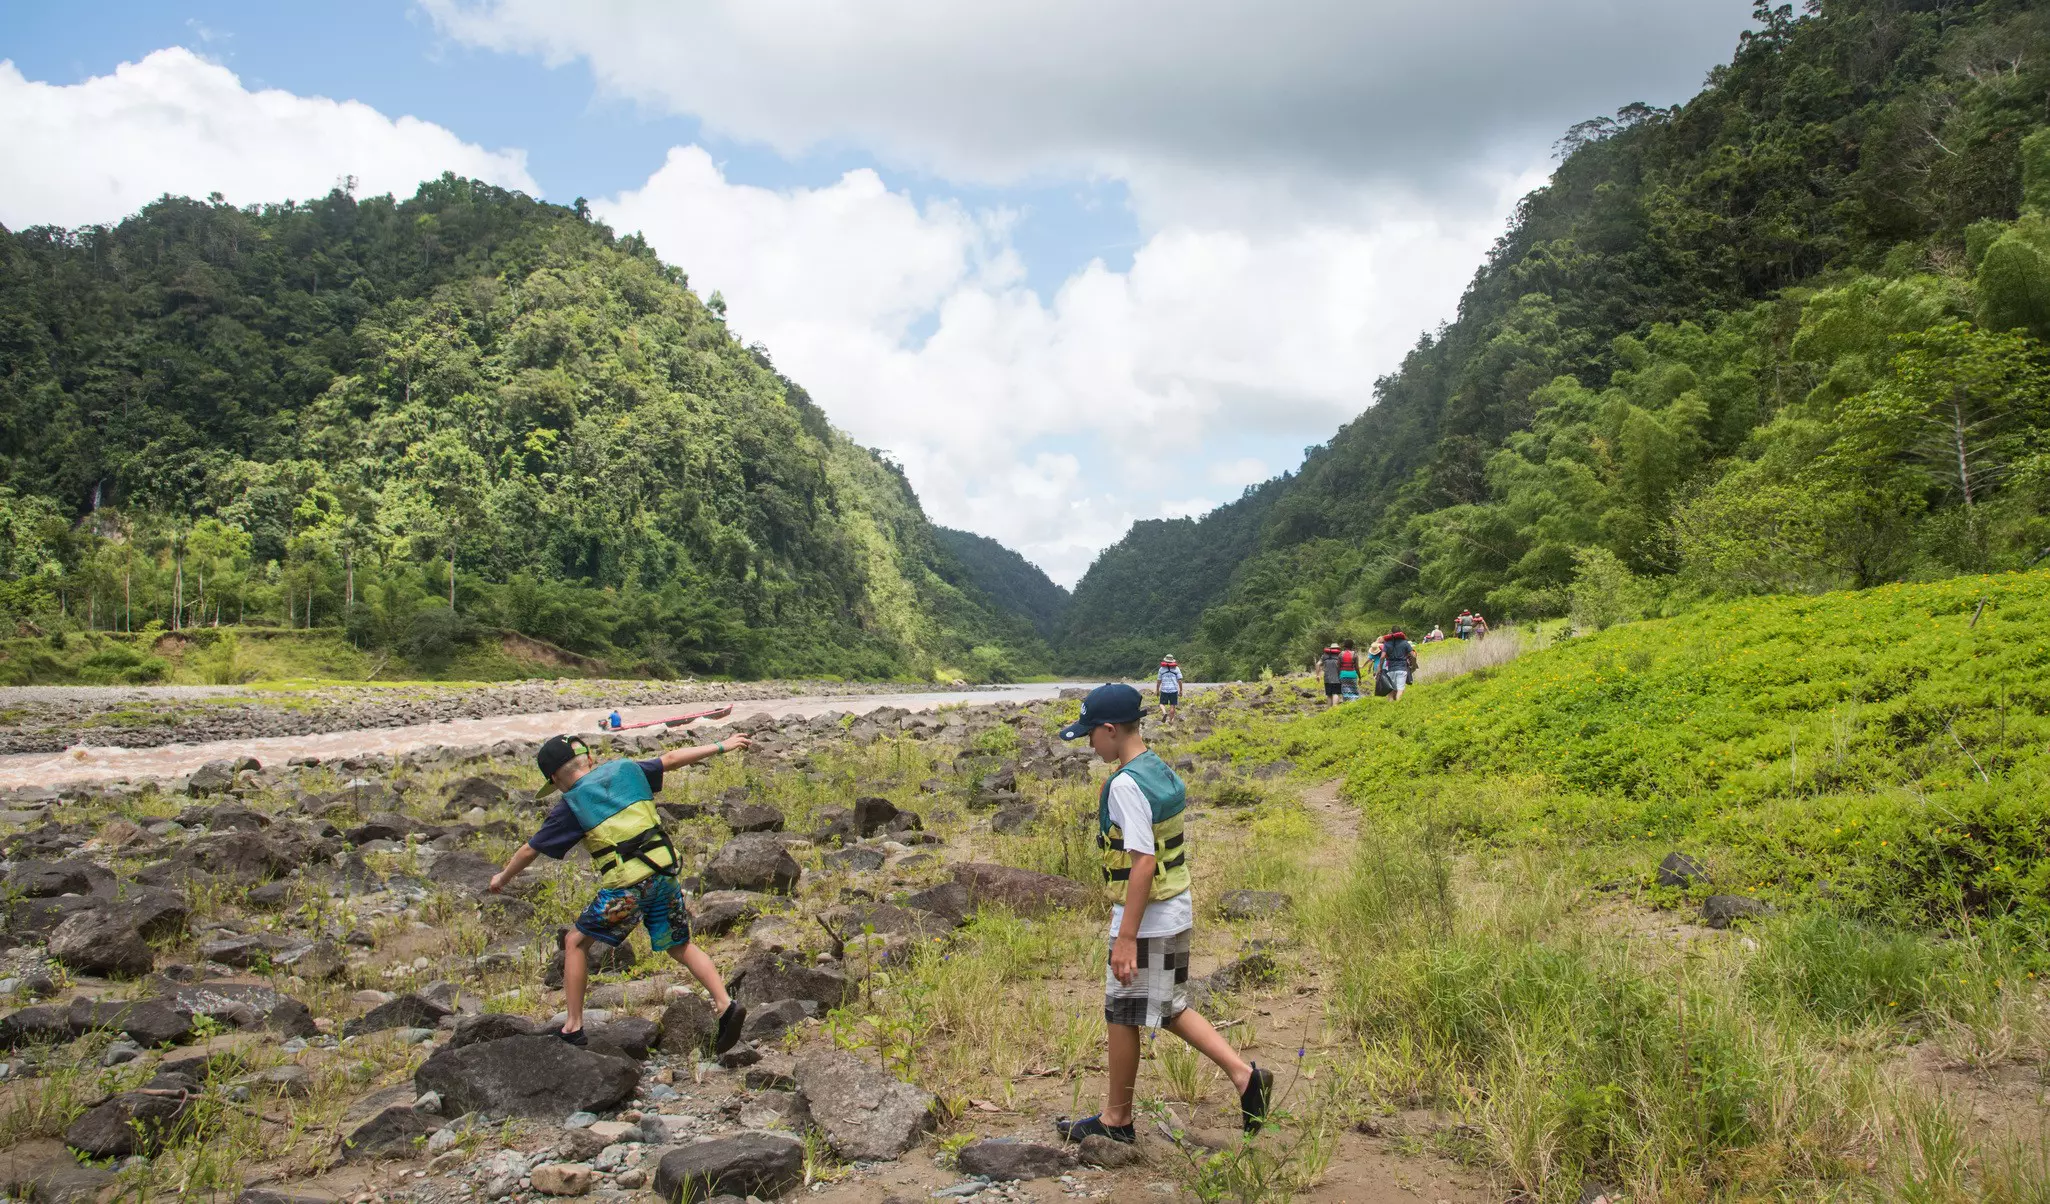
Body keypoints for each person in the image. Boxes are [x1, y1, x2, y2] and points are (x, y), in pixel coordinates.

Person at [1052, 684, 1271, 1145]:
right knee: (1167, 1007)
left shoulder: (1127, 783)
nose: (1090, 744)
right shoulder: (1154, 766)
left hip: (1147, 917)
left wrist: (1126, 937)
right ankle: (1243, 1077)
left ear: (1111, 730)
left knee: (1121, 1011)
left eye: (1091, 734)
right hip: (1174, 906)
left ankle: (1117, 1121)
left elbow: (1143, 862)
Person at [488, 732, 753, 1049]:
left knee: (575, 942)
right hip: (664, 874)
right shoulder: (627, 769)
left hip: (628, 888)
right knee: (679, 945)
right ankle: (725, 1003)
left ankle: (572, 1026)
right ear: (586, 759)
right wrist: (723, 745)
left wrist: (502, 878)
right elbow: (670, 759)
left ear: (556, 777)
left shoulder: (571, 804)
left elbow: (531, 850)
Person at [1382, 629, 1417, 701]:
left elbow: (1382, 657)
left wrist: (1379, 667)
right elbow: (1413, 655)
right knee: (1400, 689)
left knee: (1391, 691)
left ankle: (1390, 706)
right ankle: (1398, 705)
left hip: (1390, 669)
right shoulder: (1405, 643)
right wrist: (1414, 665)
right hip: (1402, 668)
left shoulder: (1387, 644)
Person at [1156, 655, 1184, 722]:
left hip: (1164, 690)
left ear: (1165, 660)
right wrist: (1181, 690)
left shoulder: (1161, 669)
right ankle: (1171, 721)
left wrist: (1157, 690)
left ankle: (1164, 712)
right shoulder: (1176, 668)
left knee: (1161, 704)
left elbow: (1159, 681)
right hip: (1174, 690)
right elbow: (1179, 680)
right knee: (1172, 705)